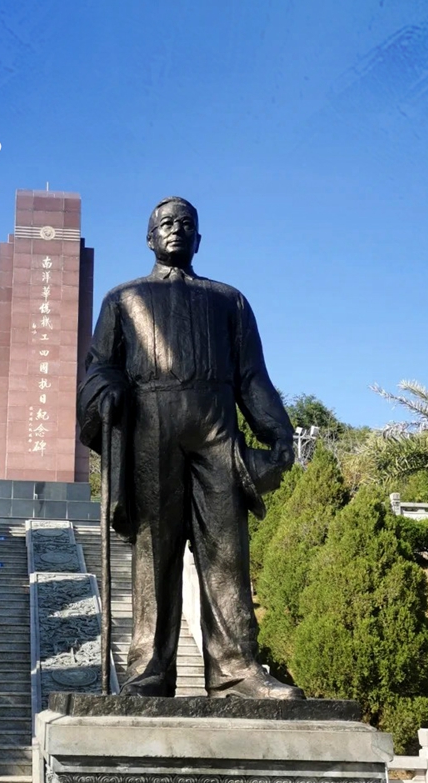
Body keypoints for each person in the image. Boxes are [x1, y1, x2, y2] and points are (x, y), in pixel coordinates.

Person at [77, 196, 303, 699]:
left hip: (215, 427)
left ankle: (236, 671)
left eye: (186, 224)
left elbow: (252, 377)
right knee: (154, 552)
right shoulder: (123, 298)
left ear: (198, 239)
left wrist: (280, 433)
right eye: (166, 223)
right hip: (151, 425)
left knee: (226, 550)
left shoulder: (229, 300)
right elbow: (99, 366)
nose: (176, 229)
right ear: (149, 237)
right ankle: (148, 671)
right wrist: (106, 389)